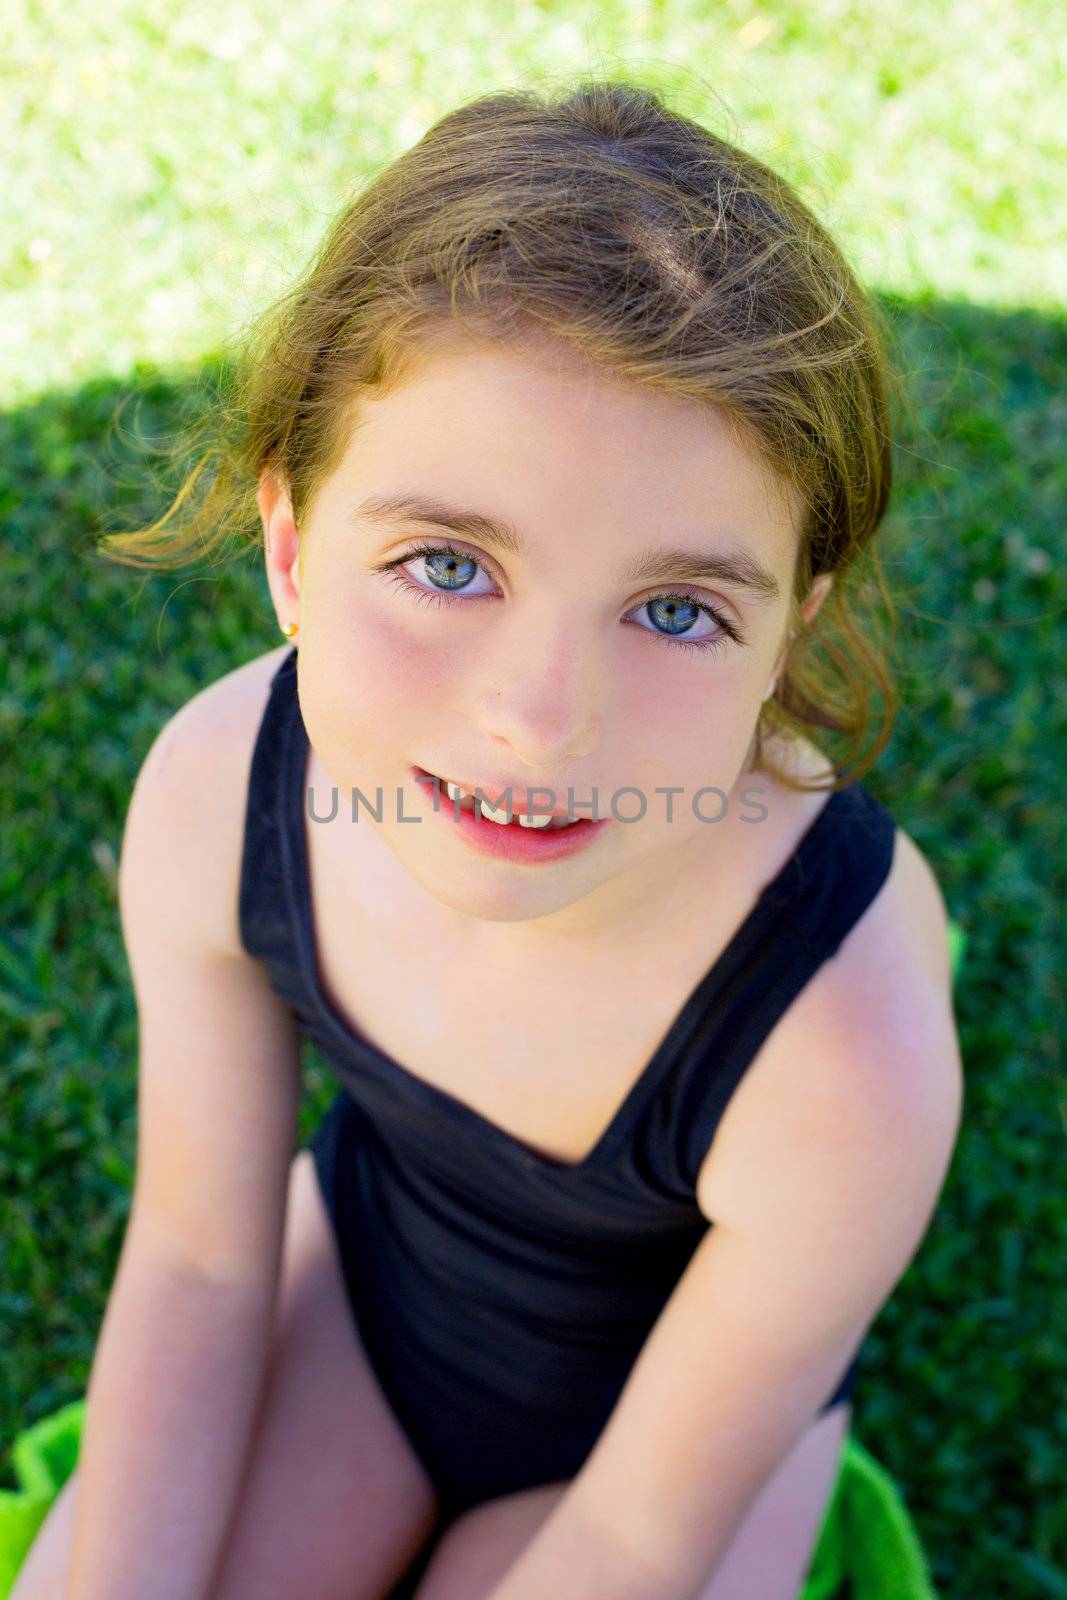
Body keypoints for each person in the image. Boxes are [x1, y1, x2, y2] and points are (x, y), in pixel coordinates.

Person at [15, 77, 964, 1600]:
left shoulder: (840, 1046)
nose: (540, 720)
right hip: (373, 1313)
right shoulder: (221, 795)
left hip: (677, 1457)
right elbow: (198, 1265)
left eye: (675, 611)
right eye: (448, 565)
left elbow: (639, 1535)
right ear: (290, 546)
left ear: (791, 632)